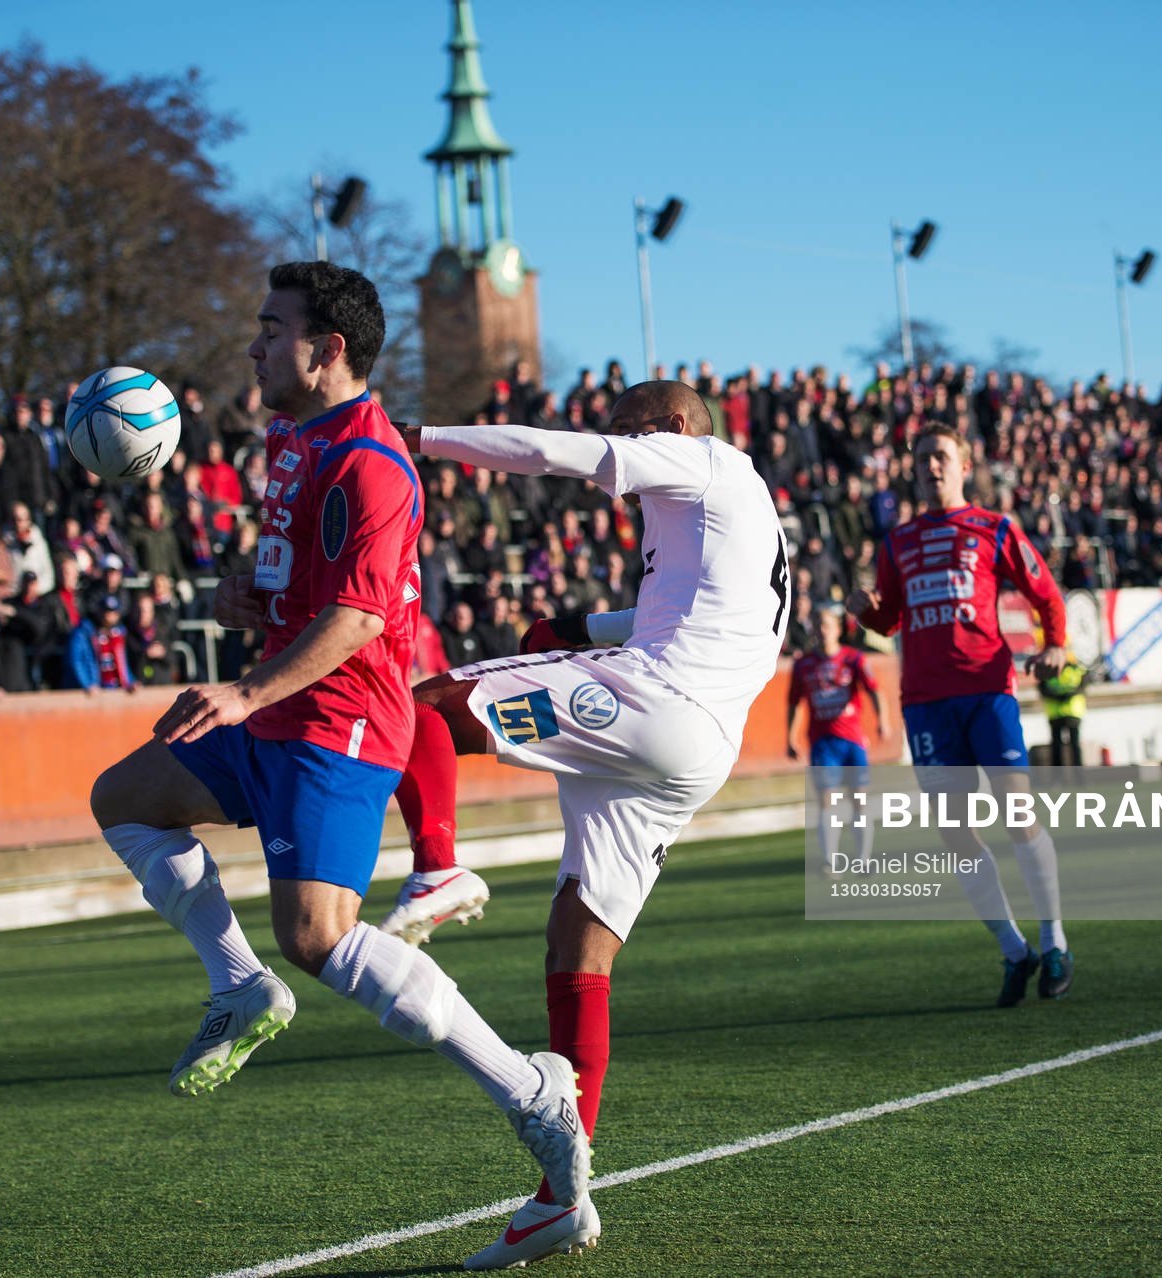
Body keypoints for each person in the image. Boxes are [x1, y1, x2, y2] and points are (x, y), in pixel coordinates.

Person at [84, 262, 589, 1215]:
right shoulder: (292, 437)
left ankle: (530, 1090)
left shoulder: (372, 463)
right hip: (277, 706)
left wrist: (244, 690)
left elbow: (359, 618)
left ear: (328, 349)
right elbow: (302, 580)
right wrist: (248, 596)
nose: (254, 347)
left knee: (317, 938)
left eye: (272, 330)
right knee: (127, 800)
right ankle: (238, 988)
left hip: (340, 724)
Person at [392, 379, 789, 1266]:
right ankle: (561, 1197)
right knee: (579, 946)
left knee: (422, 704)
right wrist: (575, 624)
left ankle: (438, 865)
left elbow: (550, 451)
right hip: (693, 750)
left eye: (629, 434)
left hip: (649, 699)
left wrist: (423, 437)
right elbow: (685, 612)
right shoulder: (742, 516)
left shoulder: (701, 460)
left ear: (673, 428)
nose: (622, 455)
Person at [849, 424, 1074, 1009]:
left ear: (964, 465)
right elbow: (890, 621)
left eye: (941, 457)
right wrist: (866, 612)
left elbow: (1046, 594)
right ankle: (1014, 950)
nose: (932, 466)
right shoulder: (898, 541)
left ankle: (1054, 941)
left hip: (987, 690)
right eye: (923, 458)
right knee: (954, 831)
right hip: (926, 702)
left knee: (1017, 812)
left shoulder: (994, 528)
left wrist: (1056, 644)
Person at [785, 605, 888, 871]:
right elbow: (794, 703)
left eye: (827, 625)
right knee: (826, 800)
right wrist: (790, 737)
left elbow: (874, 690)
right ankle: (830, 861)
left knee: (859, 800)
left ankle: (863, 859)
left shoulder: (854, 659)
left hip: (853, 741)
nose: (822, 631)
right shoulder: (803, 665)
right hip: (823, 743)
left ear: (838, 629)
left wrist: (883, 721)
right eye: (818, 626)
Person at [1038, 652, 1091, 769]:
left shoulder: (1076, 669)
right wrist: (1059, 696)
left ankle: (1078, 774)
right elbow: (1042, 689)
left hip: (1072, 712)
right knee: (1057, 746)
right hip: (1055, 713)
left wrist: (1065, 695)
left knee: (1074, 744)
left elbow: (1083, 685)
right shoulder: (1048, 671)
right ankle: (1059, 775)